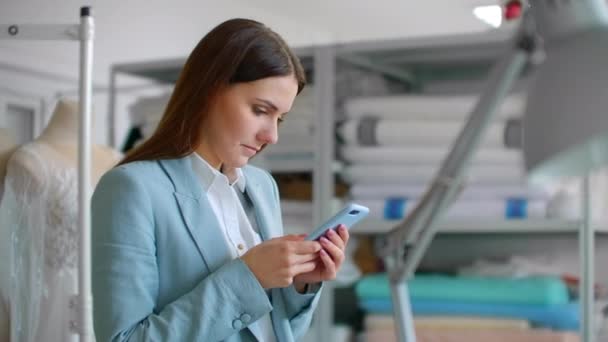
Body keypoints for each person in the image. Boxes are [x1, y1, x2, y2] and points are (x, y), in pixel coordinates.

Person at [91, 18, 350, 342]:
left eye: (280, 118)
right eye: (260, 110)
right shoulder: (131, 189)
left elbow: (274, 332)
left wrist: (301, 285)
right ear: (210, 89)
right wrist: (249, 278)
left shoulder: (261, 186)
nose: (272, 135)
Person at [0, 99, 120, 342]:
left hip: (111, 298)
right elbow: (11, 253)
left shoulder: (119, 160)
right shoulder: (30, 161)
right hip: (55, 302)